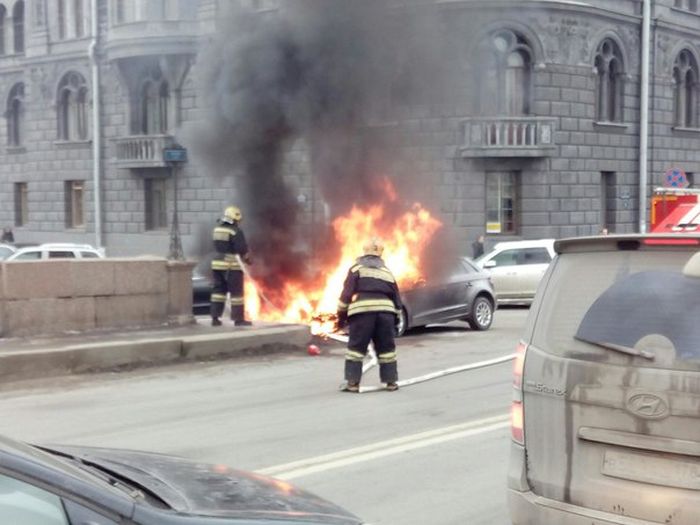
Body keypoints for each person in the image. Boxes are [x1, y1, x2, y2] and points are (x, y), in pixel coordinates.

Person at [336, 237, 402, 392]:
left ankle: (353, 383)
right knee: (386, 348)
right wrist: (396, 320)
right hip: (386, 315)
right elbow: (397, 300)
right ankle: (391, 382)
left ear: (364, 253)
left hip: (362, 315)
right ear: (380, 255)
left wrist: (341, 317)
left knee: (356, 348)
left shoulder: (356, 269)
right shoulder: (388, 273)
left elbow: (346, 295)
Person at [210, 206, 252, 327]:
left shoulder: (217, 229)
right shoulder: (235, 231)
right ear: (234, 219)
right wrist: (248, 260)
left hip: (217, 264)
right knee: (236, 293)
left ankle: (215, 318)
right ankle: (238, 320)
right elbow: (241, 249)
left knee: (218, 291)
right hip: (231, 266)